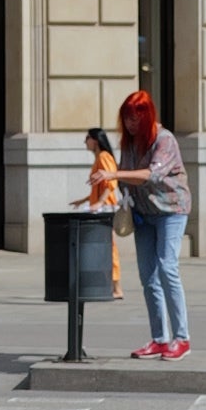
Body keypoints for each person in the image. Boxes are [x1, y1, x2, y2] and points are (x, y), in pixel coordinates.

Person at [113, 89, 192, 357]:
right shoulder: (129, 142)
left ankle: (182, 338)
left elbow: (151, 175)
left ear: (147, 117)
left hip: (172, 210)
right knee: (148, 277)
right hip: (144, 214)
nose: (130, 124)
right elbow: (128, 179)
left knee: (167, 266)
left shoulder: (164, 139)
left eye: (135, 119)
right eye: (126, 118)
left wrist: (114, 173)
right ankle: (159, 338)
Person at [71, 127, 123, 300]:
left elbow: (111, 182)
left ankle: (116, 286)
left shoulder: (104, 157)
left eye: (87, 138)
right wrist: (85, 200)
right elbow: (99, 187)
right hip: (100, 207)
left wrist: (100, 203)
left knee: (108, 246)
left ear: (95, 140)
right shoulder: (100, 159)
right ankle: (108, 284)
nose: (85, 142)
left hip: (105, 209)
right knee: (102, 247)